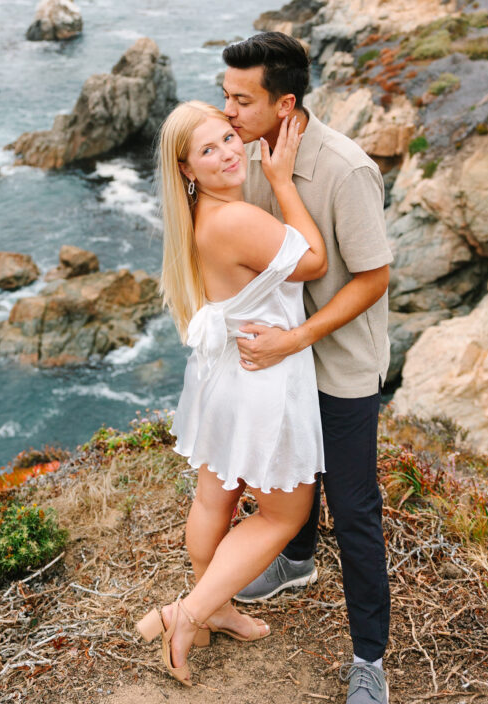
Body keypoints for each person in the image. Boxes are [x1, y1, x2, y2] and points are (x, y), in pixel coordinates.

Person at [221, 32, 392, 704]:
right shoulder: (245, 151)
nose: (226, 111)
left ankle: (370, 662)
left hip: (338, 368)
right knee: (287, 475)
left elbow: (372, 278)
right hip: (278, 364)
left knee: (353, 510)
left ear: (283, 102)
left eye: (240, 99)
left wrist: (296, 342)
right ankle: (295, 562)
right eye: (223, 95)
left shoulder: (345, 169)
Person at [137, 100, 327, 687]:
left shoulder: (202, 217)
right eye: (208, 151)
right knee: (284, 513)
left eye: (227, 138)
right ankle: (190, 616)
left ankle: (213, 606)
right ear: (187, 170)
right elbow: (314, 262)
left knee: (214, 497)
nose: (226, 155)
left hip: (222, 375)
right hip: (261, 377)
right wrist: (281, 180)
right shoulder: (236, 219)